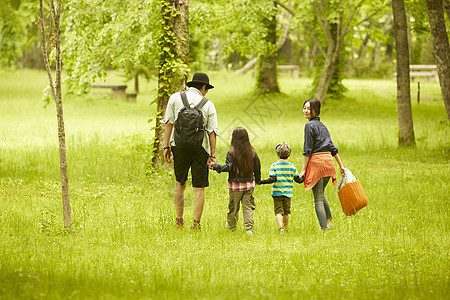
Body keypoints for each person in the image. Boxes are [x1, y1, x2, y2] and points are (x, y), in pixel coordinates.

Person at [161, 72, 219, 230]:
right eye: (207, 89)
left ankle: (179, 221)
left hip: (179, 147)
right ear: (203, 87)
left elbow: (168, 123)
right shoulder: (208, 104)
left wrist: (166, 146)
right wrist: (212, 155)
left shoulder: (175, 98)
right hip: (200, 149)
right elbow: (212, 133)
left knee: (180, 184)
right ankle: (196, 224)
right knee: (199, 188)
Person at [300, 99, 345, 233]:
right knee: (320, 194)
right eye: (304, 108)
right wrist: (340, 166)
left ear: (316, 111)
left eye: (309, 108)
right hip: (328, 164)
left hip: (317, 163)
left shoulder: (309, 126)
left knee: (317, 199)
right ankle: (329, 221)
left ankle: (324, 230)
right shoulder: (323, 126)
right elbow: (332, 148)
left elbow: (308, 149)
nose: (306, 111)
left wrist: (303, 170)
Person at [209, 127, 261, 234]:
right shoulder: (252, 152)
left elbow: (228, 167)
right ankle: (249, 229)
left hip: (235, 186)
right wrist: (257, 179)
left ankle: (232, 227)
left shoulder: (231, 153)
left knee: (233, 207)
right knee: (248, 207)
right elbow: (257, 166)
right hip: (249, 185)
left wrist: (215, 166)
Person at [259, 143, 304, 234]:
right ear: (289, 155)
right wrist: (304, 176)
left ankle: (280, 228)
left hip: (277, 193)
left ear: (277, 154)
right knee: (286, 212)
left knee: (278, 211)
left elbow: (273, 179)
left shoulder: (274, 166)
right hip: (288, 193)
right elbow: (298, 180)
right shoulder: (292, 166)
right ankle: (286, 228)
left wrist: (261, 181)